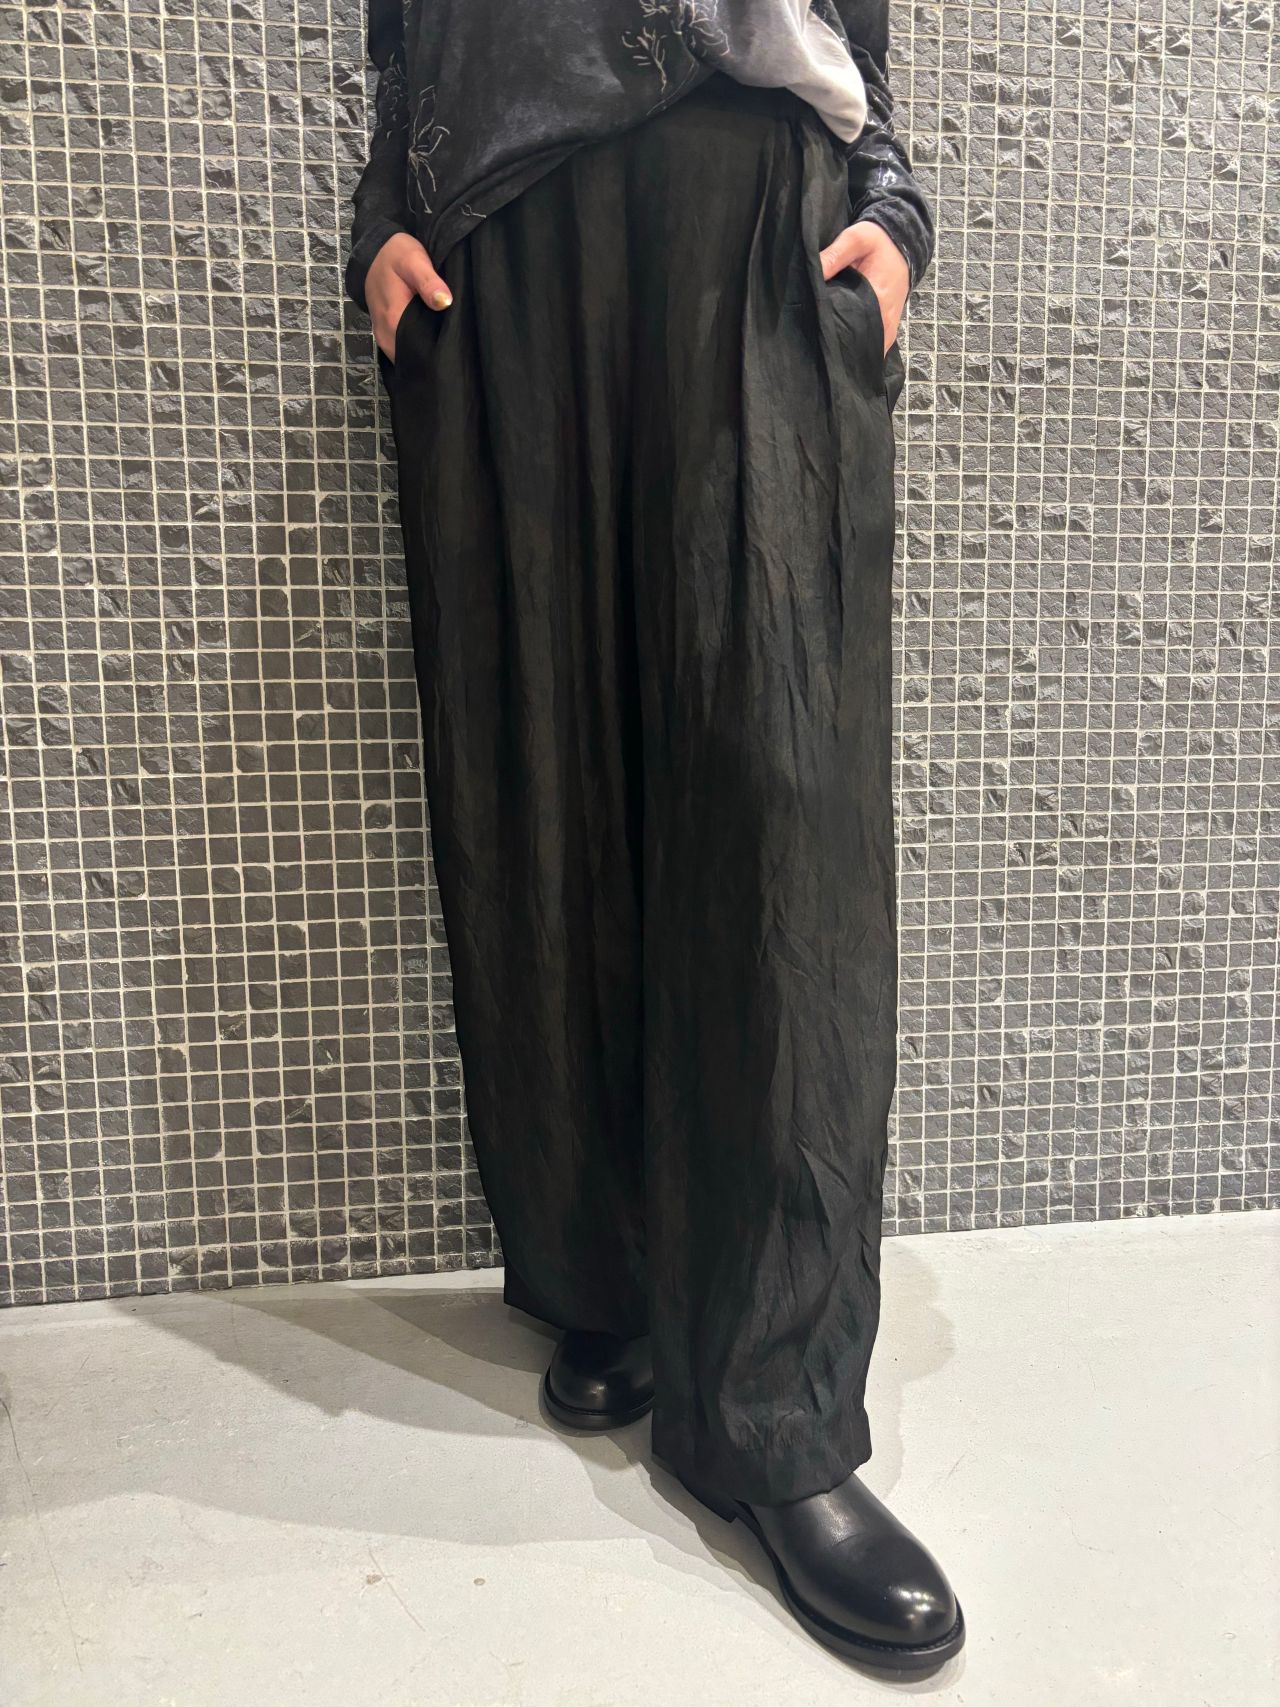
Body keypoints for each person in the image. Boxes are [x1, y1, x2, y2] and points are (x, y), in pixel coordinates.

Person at [344, 0, 964, 1674]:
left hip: (753, 203)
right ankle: (607, 1278)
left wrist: (892, 209)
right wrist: (383, 218)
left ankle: (775, 1415)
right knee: (539, 785)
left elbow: (857, 34)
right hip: (499, 240)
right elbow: (401, 36)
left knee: (780, 803)